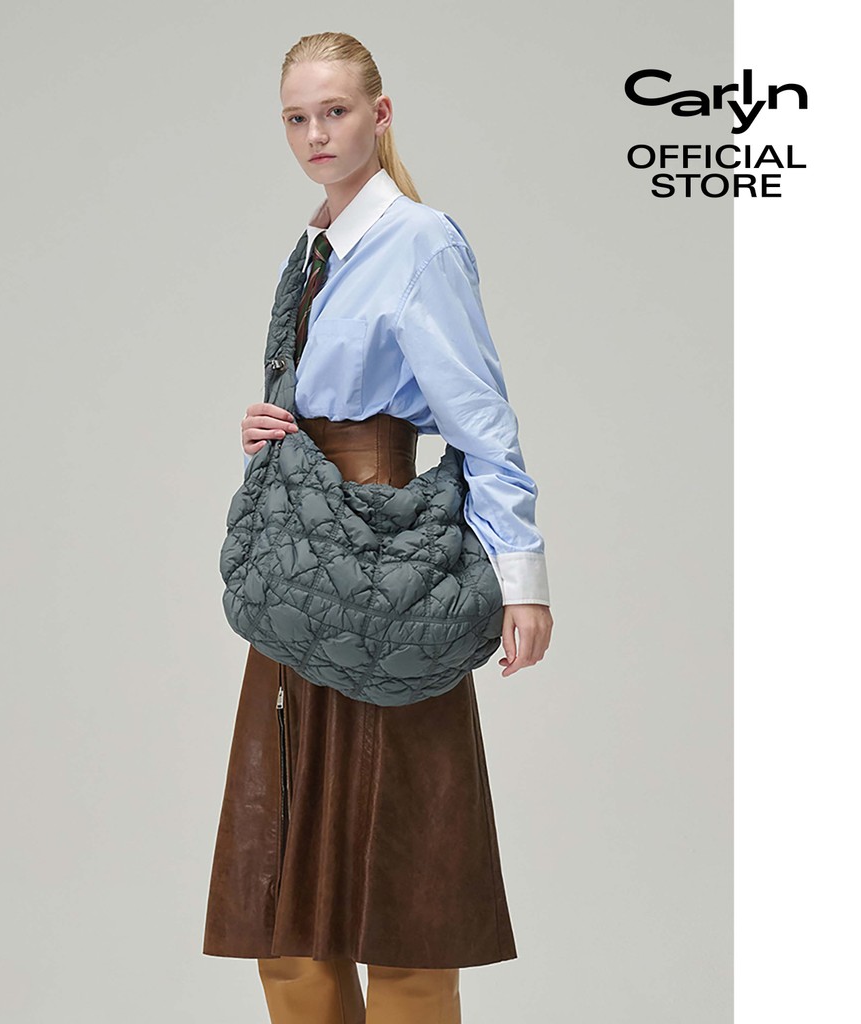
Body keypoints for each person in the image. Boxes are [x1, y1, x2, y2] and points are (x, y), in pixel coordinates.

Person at [203, 31, 554, 1024]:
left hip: (388, 578)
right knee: (285, 921)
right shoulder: (314, 250)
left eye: (336, 111)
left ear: (379, 115)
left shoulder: (419, 240)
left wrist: (521, 578)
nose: (316, 134)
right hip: (302, 577)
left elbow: (478, 416)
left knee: (408, 907)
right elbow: (334, 395)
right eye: (297, 117)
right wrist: (278, 424)